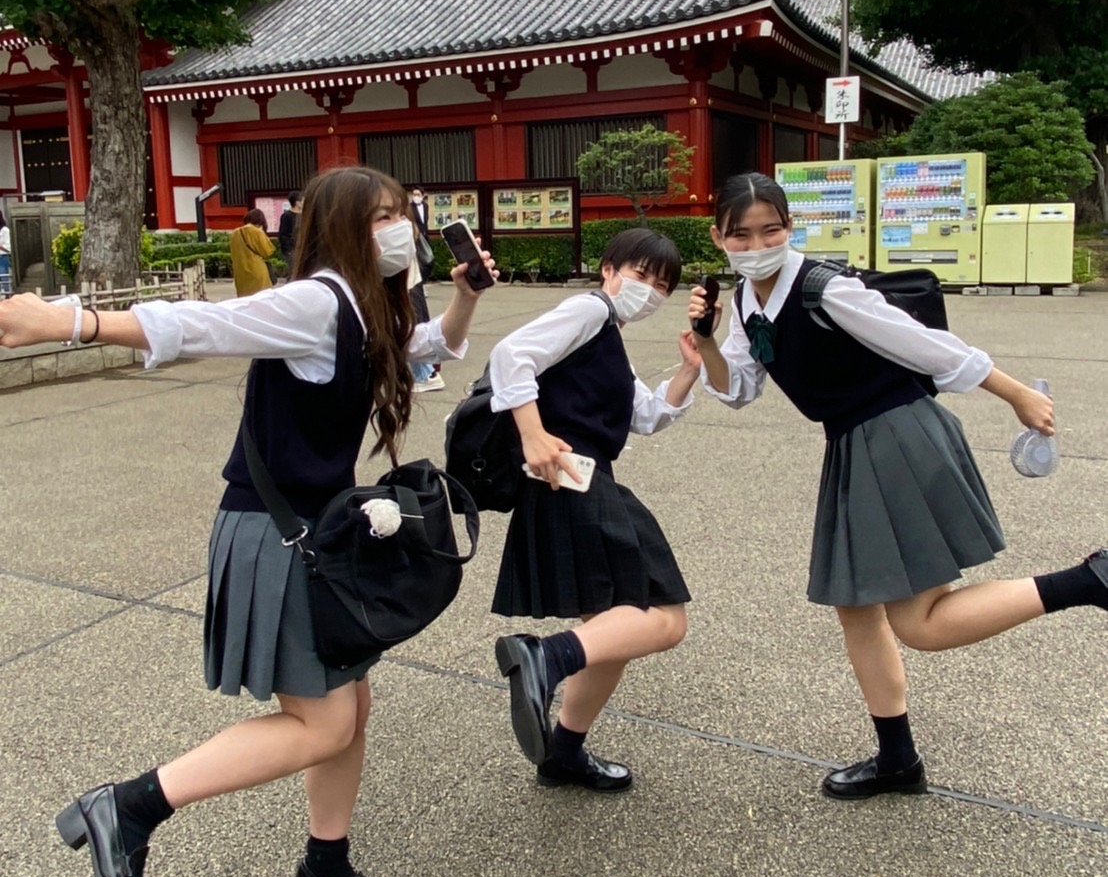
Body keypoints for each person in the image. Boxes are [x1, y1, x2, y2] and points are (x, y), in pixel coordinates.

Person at [0, 166, 496, 877]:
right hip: (277, 534)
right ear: (339, 229)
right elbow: (204, 326)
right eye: (381, 218)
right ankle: (128, 807)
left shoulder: (369, 306)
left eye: (404, 214)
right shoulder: (314, 301)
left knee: (351, 708)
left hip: (320, 529)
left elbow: (428, 347)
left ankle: (325, 867)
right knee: (325, 723)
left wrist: (464, 296)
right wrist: (71, 323)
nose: (401, 230)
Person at [690, 172, 1107, 800]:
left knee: (920, 623)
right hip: (854, 444)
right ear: (718, 236)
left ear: (790, 228)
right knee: (855, 606)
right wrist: (705, 343)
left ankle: (1089, 580)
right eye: (741, 234)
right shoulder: (749, 305)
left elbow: (924, 346)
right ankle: (897, 759)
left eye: (770, 229)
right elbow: (738, 391)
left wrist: (1015, 392)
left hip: (895, 435)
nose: (757, 243)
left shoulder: (825, 290)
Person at [490, 229, 702, 792]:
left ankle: (564, 753)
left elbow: (647, 416)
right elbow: (511, 355)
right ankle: (544, 658)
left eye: (662, 284)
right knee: (661, 614)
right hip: (571, 478)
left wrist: (688, 369)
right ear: (608, 270)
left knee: (613, 629)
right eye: (640, 274)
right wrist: (533, 435)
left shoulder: (607, 335)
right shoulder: (588, 311)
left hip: (577, 480)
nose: (650, 290)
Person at [406, 200, 444, 394]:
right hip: (412, 284)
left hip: (409, 285)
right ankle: (424, 373)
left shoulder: (404, 229)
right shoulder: (410, 226)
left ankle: (427, 375)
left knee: (411, 329)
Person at [229, 208, 274, 297]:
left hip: (240, 272)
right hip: (256, 269)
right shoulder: (257, 232)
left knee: (245, 298)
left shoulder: (234, 233)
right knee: (261, 297)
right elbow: (267, 251)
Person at [278, 192, 303, 268]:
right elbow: (283, 234)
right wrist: (288, 250)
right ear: (297, 202)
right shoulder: (287, 216)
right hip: (293, 250)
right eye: (303, 200)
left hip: (303, 249)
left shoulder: (304, 215)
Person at [0, 212, 11, 297]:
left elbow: (8, 248)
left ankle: (7, 295)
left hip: (2, 257)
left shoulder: (5, 230)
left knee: (4, 277)